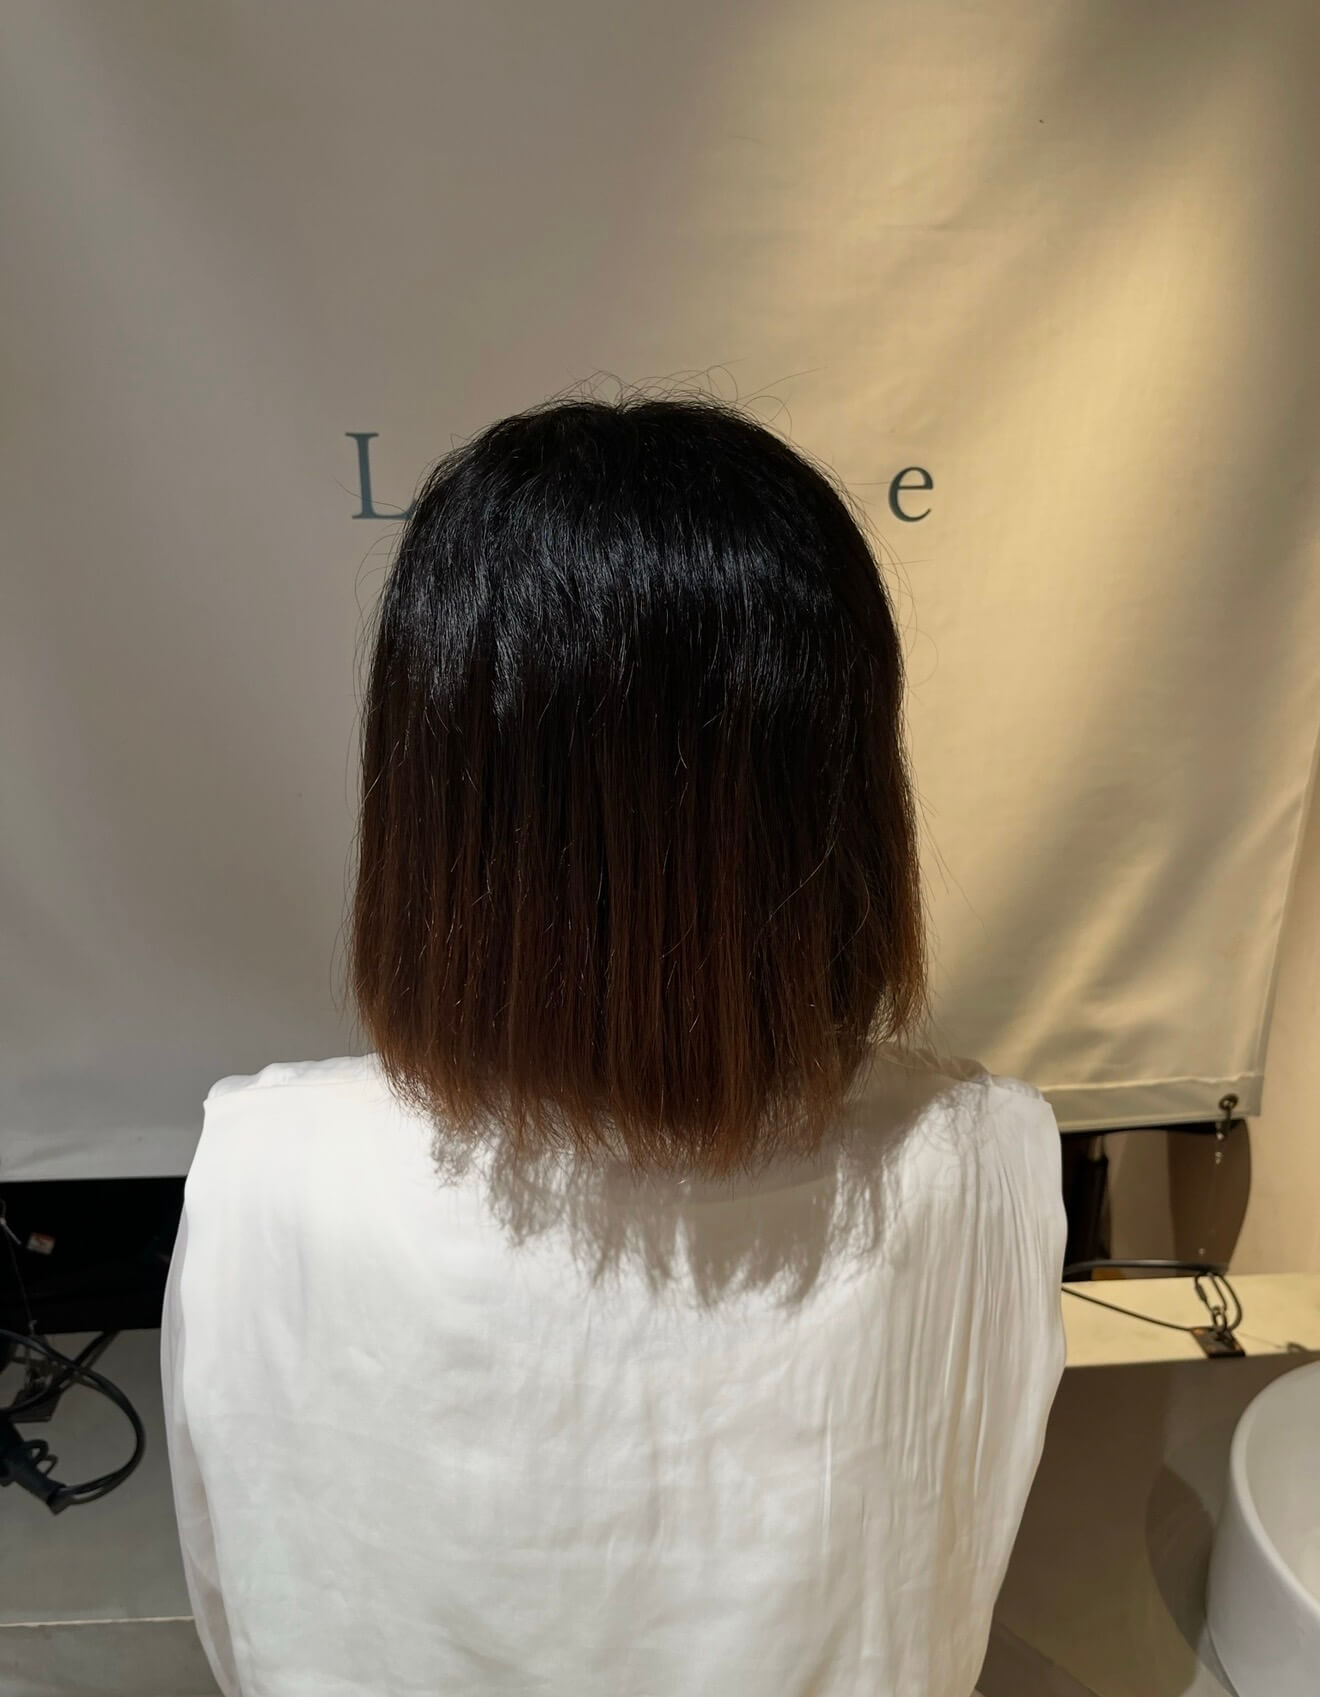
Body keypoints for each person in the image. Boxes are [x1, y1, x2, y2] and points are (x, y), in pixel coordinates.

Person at [161, 386, 1066, 1697]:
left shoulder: (266, 1170)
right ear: (846, 788)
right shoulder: (982, 1161)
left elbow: (240, 1617)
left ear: (432, 793)